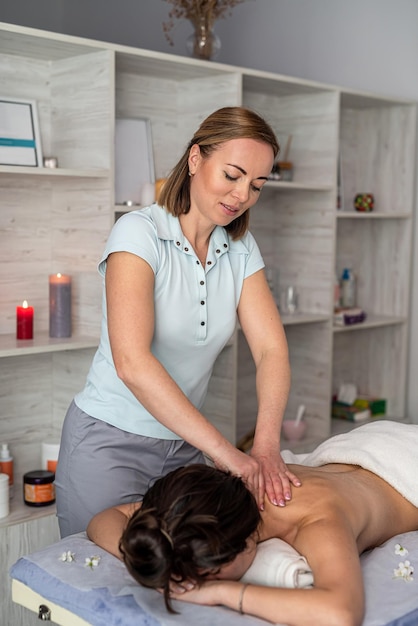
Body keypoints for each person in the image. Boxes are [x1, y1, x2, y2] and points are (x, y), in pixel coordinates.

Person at [55, 106, 299, 538]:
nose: (242, 195)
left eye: (256, 185)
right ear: (195, 159)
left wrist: (265, 446)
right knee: (101, 584)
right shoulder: (139, 233)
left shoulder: (240, 249)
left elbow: (271, 350)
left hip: (187, 444)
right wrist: (227, 455)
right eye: (233, 174)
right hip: (110, 444)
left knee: (182, 578)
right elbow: (132, 362)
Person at [87, 421, 418, 626]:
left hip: (403, 465)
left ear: (246, 544)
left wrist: (221, 591)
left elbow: (340, 614)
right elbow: (105, 519)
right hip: (361, 448)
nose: (199, 581)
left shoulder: (319, 523)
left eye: (210, 572)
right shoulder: (221, 489)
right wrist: (158, 566)